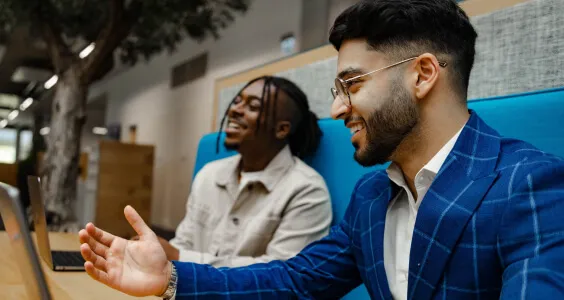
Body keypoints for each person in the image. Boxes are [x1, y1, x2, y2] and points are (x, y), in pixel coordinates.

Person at [78, 0, 564, 299]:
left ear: (422, 74)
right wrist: (172, 279)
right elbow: (294, 283)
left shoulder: (530, 185)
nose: (337, 110)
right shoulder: (373, 197)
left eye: (351, 84)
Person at [146, 75, 332, 267]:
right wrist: (158, 254)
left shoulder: (307, 190)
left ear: (281, 129)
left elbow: (283, 275)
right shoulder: (209, 175)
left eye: (253, 106)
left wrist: (178, 256)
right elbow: (184, 243)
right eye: (236, 102)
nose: (234, 110)